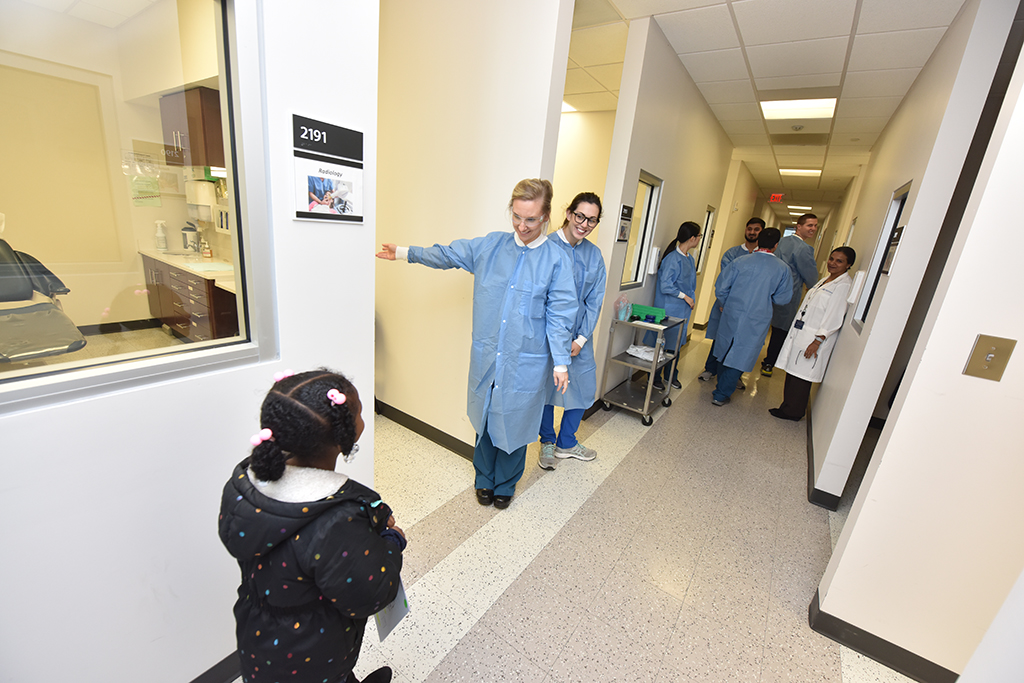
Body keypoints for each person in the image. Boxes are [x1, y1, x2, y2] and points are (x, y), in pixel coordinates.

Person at [376, 179, 577, 509]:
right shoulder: (491, 247)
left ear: (545, 216)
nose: (522, 226)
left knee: (514, 420)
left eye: (531, 219)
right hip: (488, 353)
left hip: (525, 359)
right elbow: (448, 254)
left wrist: (559, 362)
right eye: (516, 216)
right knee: (485, 417)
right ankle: (484, 478)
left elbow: (560, 314)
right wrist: (402, 253)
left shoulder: (556, 259)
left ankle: (506, 483)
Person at [219, 369, 404, 683]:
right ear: (346, 433)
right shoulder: (335, 521)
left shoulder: (243, 489)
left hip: (258, 640)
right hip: (315, 654)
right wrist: (391, 541)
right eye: (359, 412)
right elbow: (370, 593)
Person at [538, 192, 607, 470]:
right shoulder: (545, 248)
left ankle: (567, 442)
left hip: (579, 338)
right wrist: (555, 341)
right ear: (568, 213)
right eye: (580, 216)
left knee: (582, 387)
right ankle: (547, 442)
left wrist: (580, 339)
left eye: (592, 220)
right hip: (547, 337)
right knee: (545, 389)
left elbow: (594, 301)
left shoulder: (594, 255)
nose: (584, 223)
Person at [770, 247, 857, 421]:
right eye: (832, 259)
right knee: (793, 372)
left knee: (801, 376)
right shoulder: (826, 280)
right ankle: (787, 406)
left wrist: (817, 341)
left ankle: (793, 411)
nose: (833, 263)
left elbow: (834, 316)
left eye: (839, 261)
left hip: (814, 338)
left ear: (849, 265)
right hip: (802, 332)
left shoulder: (843, 285)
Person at [710, 228, 792, 406]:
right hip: (757, 317)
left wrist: (726, 303)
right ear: (776, 245)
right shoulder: (782, 269)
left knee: (725, 348)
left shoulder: (740, 262)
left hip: (732, 312)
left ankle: (721, 387)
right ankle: (722, 393)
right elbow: (782, 298)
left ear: (759, 241)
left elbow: (721, 287)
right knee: (742, 353)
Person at [697, 217, 764, 385]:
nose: (752, 232)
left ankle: (733, 376)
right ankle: (710, 369)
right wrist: (724, 303)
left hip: (750, 309)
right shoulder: (732, 253)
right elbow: (725, 281)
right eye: (750, 228)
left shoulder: (764, 258)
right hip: (726, 305)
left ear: (761, 232)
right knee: (721, 338)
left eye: (756, 229)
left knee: (740, 343)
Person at [643, 221, 701, 391]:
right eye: (699, 236)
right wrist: (686, 297)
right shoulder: (672, 259)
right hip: (669, 308)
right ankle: (654, 378)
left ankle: (670, 375)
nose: (699, 239)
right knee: (661, 344)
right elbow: (666, 286)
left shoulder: (689, 259)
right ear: (692, 238)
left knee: (675, 344)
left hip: (682, 309)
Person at [761, 213, 820, 377]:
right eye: (809, 225)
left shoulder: (780, 242)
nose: (813, 229)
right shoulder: (804, 249)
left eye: (815, 226)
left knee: (761, 326)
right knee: (780, 330)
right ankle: (768, 363)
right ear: (798, 227)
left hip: (768, 291)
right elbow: (811, 278)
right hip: (788, 294)